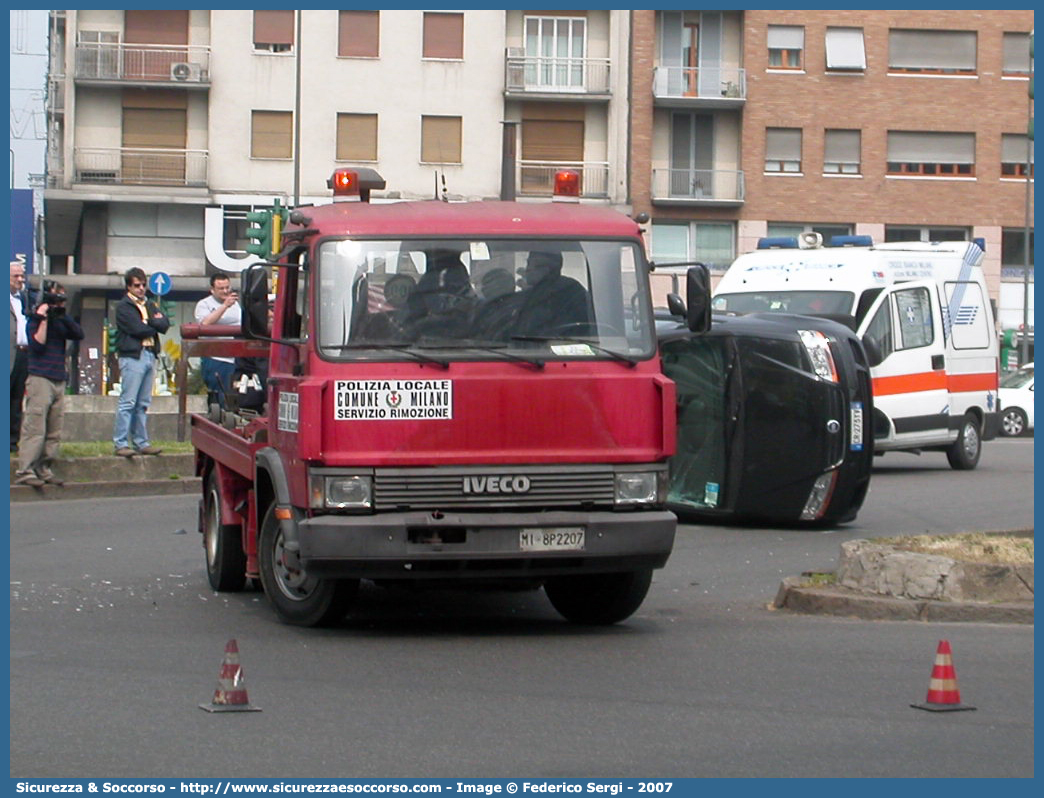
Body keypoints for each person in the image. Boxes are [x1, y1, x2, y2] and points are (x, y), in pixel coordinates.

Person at [13, 281, 84, 487]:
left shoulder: (62, 320)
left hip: (58, 377)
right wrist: (42, 318)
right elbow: (37, 344)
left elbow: (79, 334)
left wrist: (62, 313)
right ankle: (25, 469)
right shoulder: (33, 319)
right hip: (40, 377)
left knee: (54, 428)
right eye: (55, 297)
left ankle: (44, 467)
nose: (58, 301)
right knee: (35, 426)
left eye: (61, 297)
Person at [112, 267, 170, 457]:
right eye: (137, 285)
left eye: (144, 285)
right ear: (129, 286)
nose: (141, 289)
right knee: (128, 402)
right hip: (132, 356)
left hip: (149, 354)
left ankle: (141, 442)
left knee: (143, 403)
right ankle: (120, 443)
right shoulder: (123, 307)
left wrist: (150, 323)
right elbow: (137, 329)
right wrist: (152, 323)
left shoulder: (150, 304)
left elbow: (165, 325)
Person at [510, 250, 591, 338]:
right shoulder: (528, 296)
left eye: (534, 265)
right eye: (528, 263)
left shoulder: (570, 292)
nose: (528, 269)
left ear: (548, 269)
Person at [194, 272, 241, 408]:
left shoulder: (236, 305)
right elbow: (205, 324)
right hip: (215, 357)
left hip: (235, 356)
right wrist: (224, 306)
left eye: (227, 287)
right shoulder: (204, 304)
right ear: (212, 289)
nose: (225, 291)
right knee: (217, 396)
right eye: (221, 289)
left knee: (232, 396)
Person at [10, 261, 29, 452]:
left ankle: (12, 442)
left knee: (16, 399)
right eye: (16, 276)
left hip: (23, 354)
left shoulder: (23, 299)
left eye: (22, 276)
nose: (20, 280)